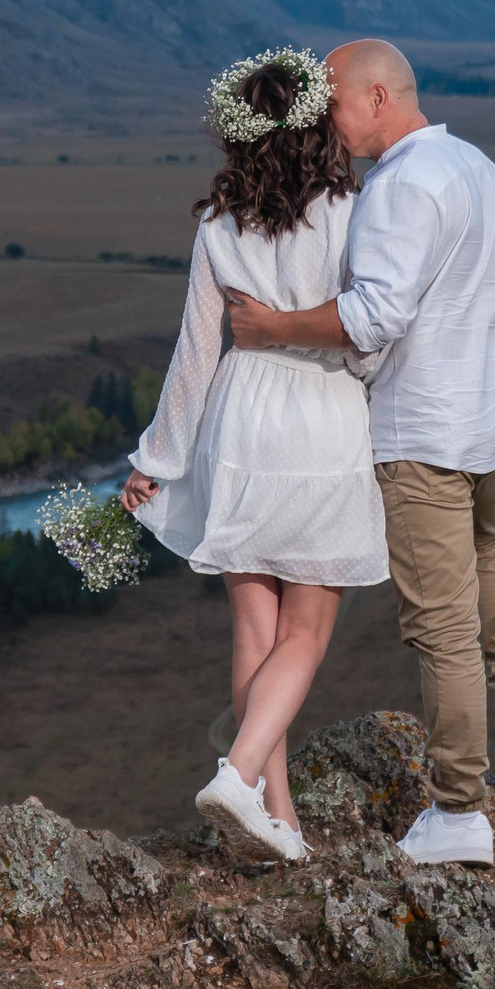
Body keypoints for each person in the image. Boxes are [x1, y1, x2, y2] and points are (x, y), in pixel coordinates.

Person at [222, 39, 495, 869]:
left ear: (377, 98)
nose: (326, 124)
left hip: (427, 434)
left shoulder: (397, 188)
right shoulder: (481, 168)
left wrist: (273, 330)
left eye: (332, 103)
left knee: (441, 623)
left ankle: (458, 812)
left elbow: (370, 320)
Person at [121, 47, 389, 864]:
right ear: (315, 124)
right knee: (305, 631)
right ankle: (238, 778)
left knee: (253, 630)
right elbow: (366, 340)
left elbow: (196, 351)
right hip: (320, 419)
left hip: (238, 422)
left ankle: (280, 822)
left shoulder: (216, 222)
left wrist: (155, 459)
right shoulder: (352, 213)